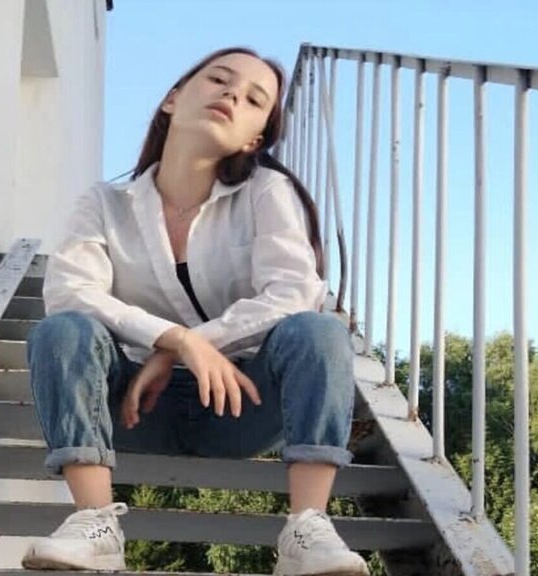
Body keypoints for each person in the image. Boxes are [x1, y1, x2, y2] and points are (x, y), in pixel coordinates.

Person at [21, 47, 368, 576]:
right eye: (220, 79)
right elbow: (71, 290)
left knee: (318, 331)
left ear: (254, 139)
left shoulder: (266, 192)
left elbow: (295, 290)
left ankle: (307, 528)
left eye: (254, 99)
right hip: (132, 405)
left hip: (241, 403)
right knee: (63, 331)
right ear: (172, 99)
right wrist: (174, 340)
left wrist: (198, 342)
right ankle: (95, 524)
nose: (232, 94)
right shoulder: (105, 203)